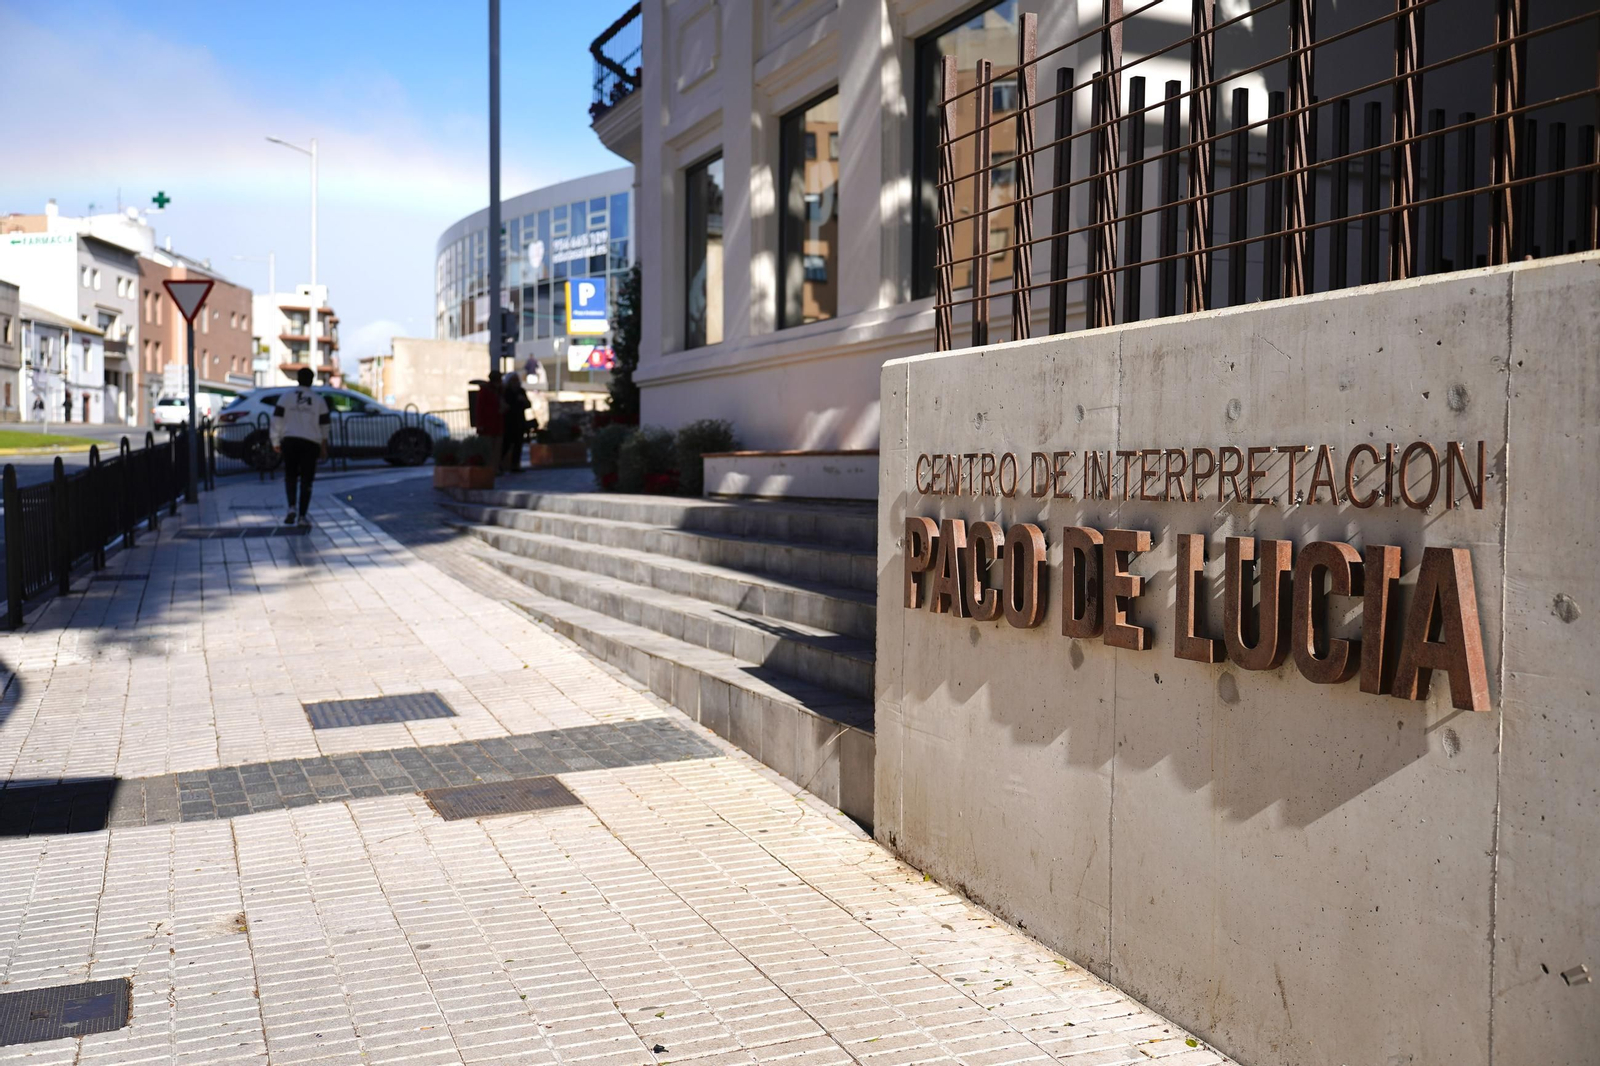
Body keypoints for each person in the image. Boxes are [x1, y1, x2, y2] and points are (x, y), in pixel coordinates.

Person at [270, 367, 329, 526]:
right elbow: (324, 425)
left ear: (297, 379)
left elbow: (276, 420)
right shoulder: (318, 400)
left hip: (290, 441)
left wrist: (275, 440)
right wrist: (324, 445)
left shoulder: (286, 397)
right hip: (311, 442)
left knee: (290, 475)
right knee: (306, 480)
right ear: (312, 380)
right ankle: (302, 515)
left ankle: (291, 507)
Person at [474, 370, 505, 473]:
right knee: (488, 449)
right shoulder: (485, 391)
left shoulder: (500, 390)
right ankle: (489, 468)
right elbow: (480, 408)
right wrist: (480, 424)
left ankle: (495, 468)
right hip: (488, 424)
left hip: (497, 423)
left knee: (497, 448)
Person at [501, 371, 531, 472]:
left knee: (518, 444)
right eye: (513, 380)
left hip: (520, 421)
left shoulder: (521, 391)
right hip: (509, 422)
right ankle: (500, 464)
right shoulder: (506, 392)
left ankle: (515, 465)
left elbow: (528, 404)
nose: (515, 382)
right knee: (506, 444)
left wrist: (523, 400)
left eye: (516, 380)